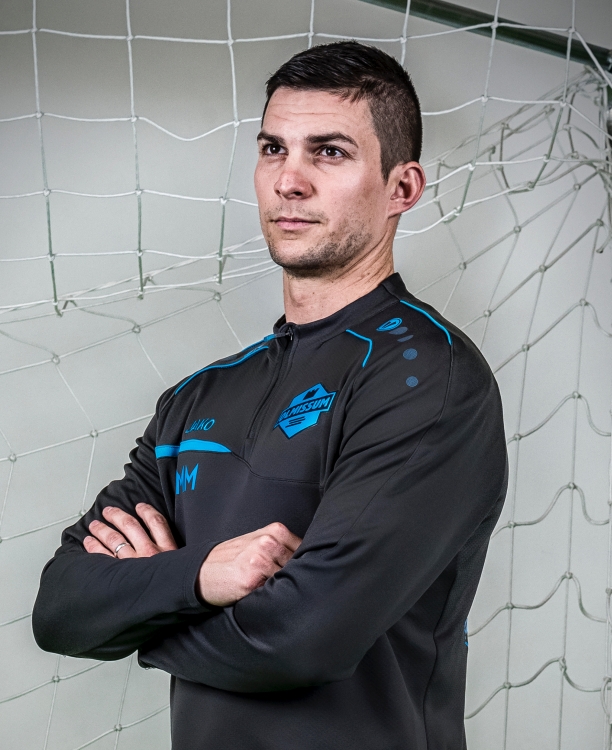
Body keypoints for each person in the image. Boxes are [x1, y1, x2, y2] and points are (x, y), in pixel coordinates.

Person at [33, 41, 507, 750]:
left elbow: (303, 638)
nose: (289, 180)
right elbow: (60, 609)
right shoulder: (199, 395)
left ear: (402, 188)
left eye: (330, 152)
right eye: (272, 149)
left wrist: (145, 615)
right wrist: (203, 575)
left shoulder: (428, 377)